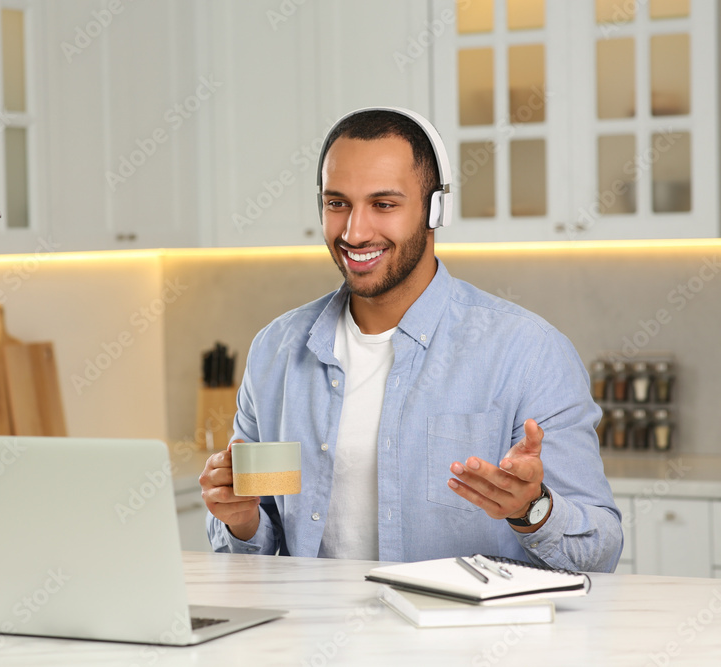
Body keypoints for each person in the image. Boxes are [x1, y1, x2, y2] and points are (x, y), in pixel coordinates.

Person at [199, 107, 623, 573]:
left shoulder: (527, 352)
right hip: (314, 639)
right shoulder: (276, 352)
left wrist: (532, 510)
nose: (355, 232)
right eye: (337, 203)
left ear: (435, 209)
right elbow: (256, 546)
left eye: (384, 204)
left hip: (465, 641)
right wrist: (242, 521)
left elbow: (600, 550)